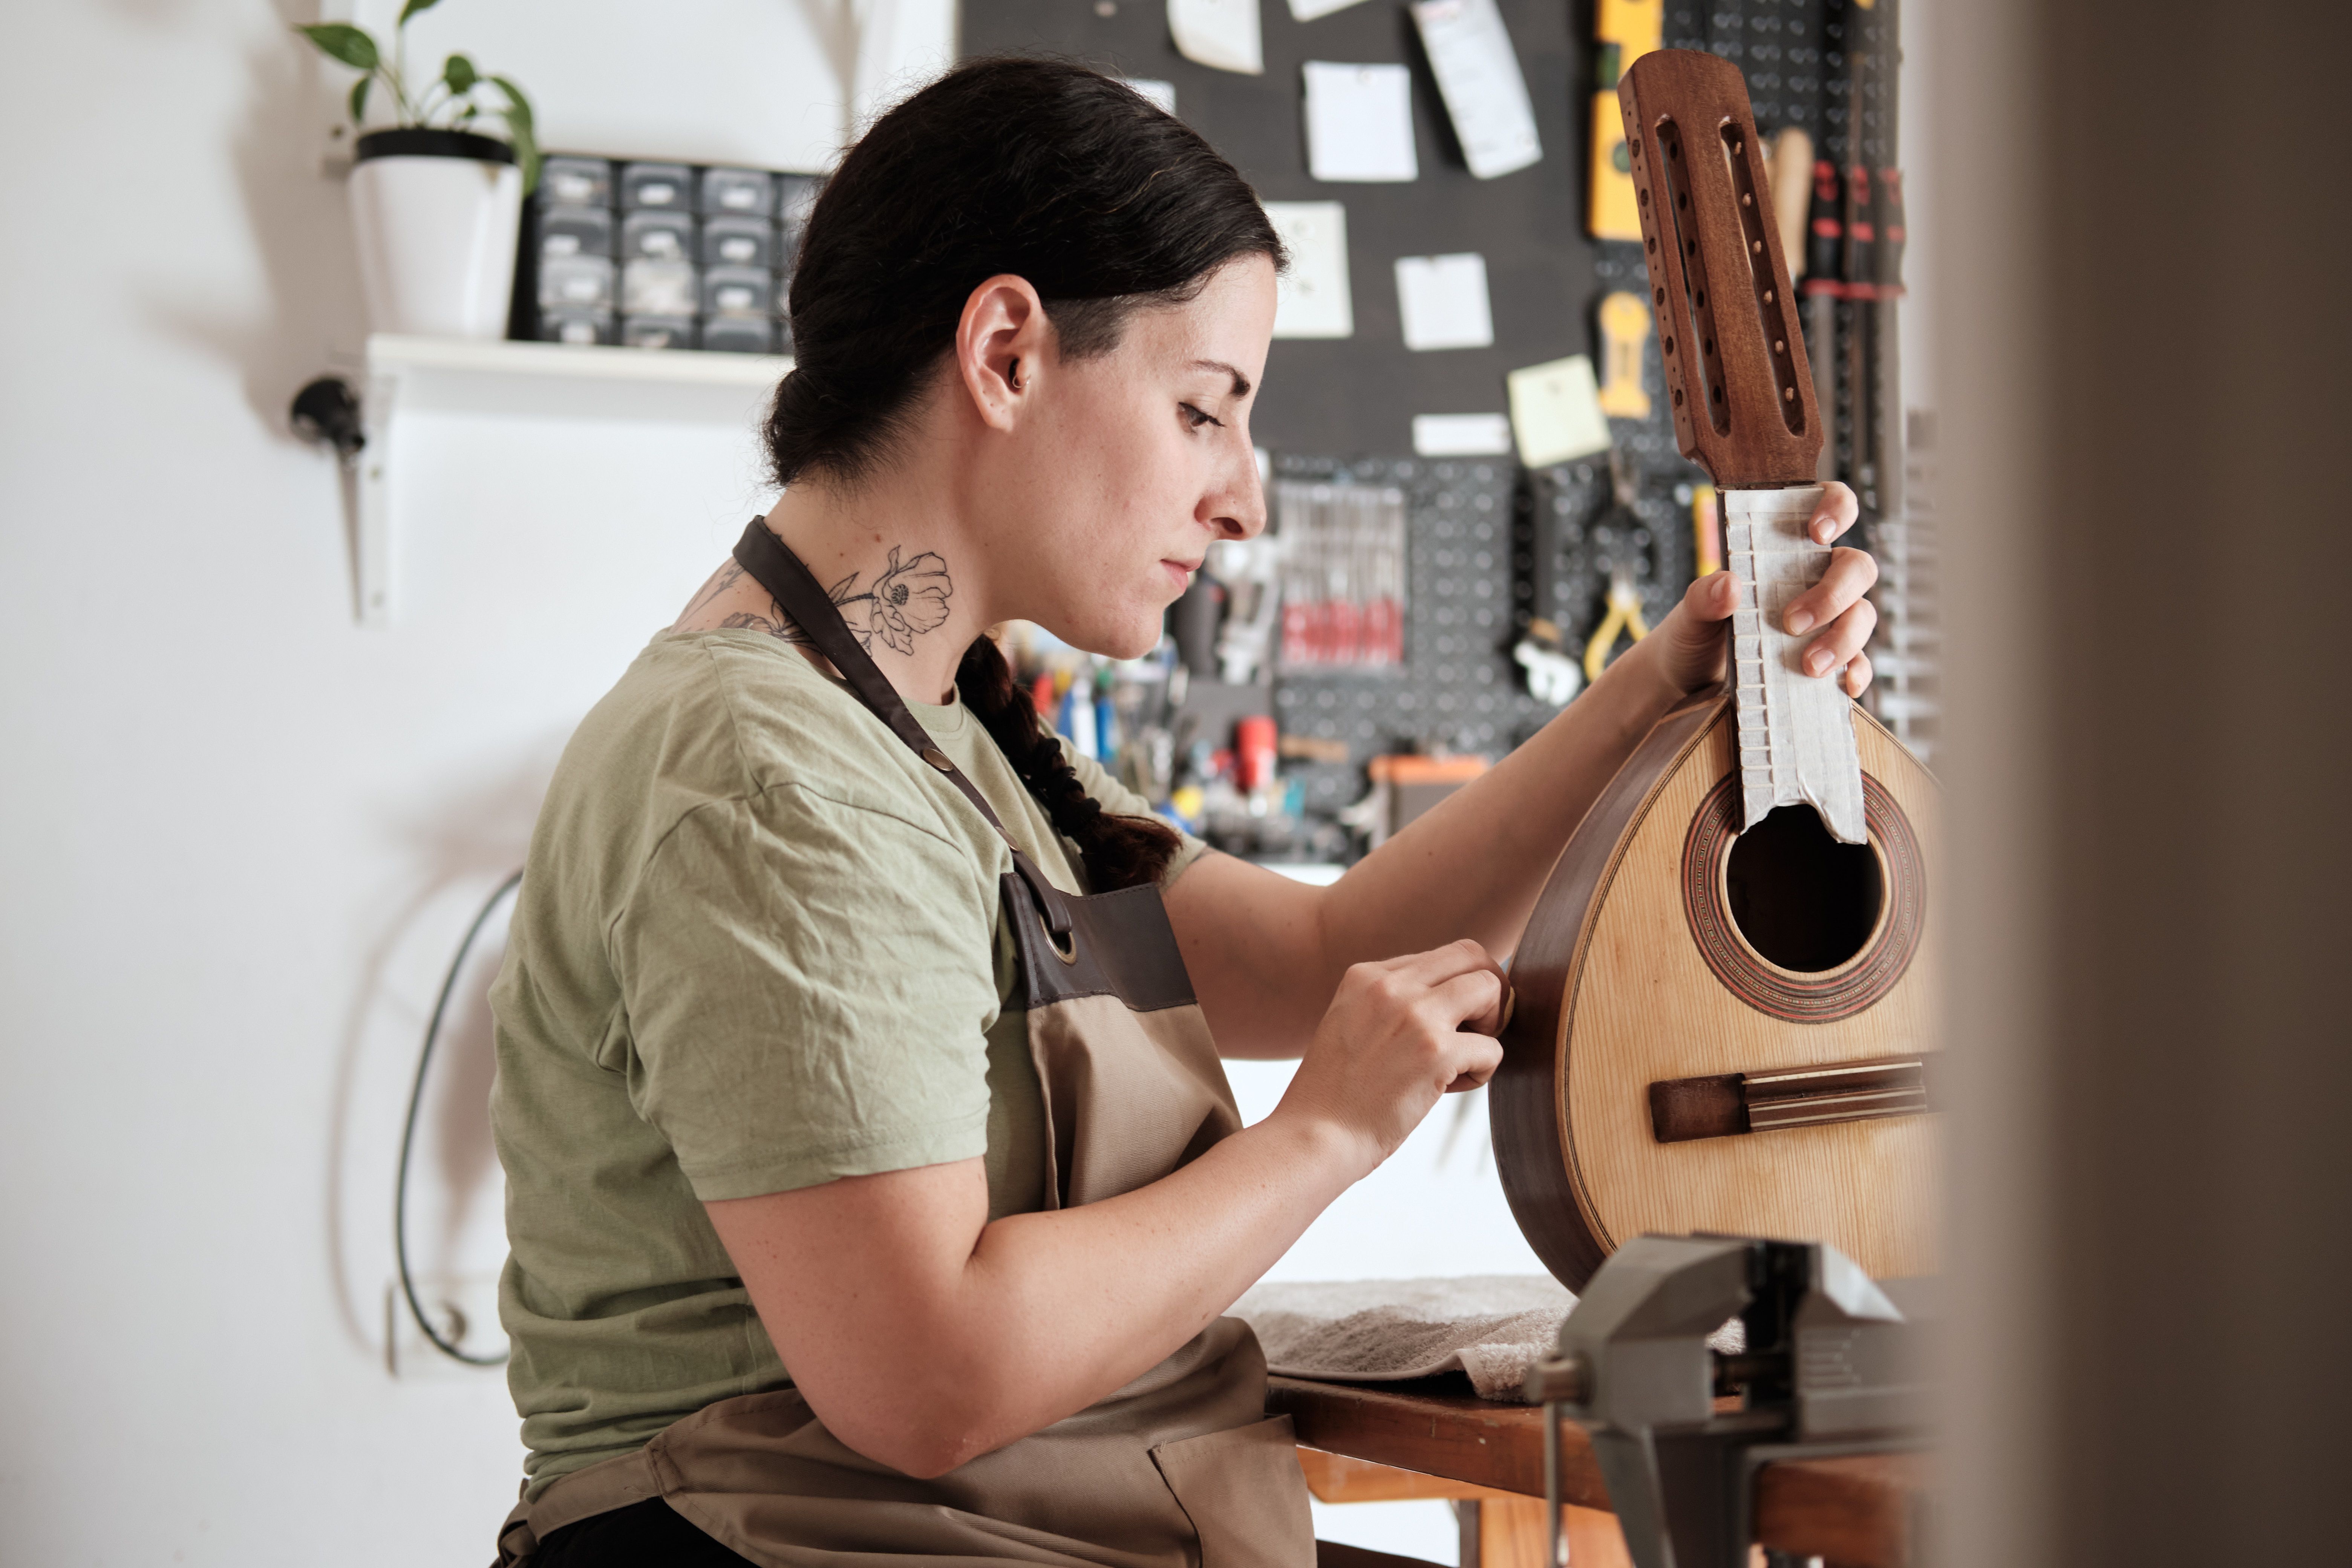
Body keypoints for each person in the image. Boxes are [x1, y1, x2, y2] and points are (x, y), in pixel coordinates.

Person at [487, 56, 1878, 1568]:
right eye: (1206, 410)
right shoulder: (769, 771)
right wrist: (1326, 1133)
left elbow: (1318, 948)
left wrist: (1652, 695)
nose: (1247, 501)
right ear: (1007, 353)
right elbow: (927, 1373)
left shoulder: (948, 719)